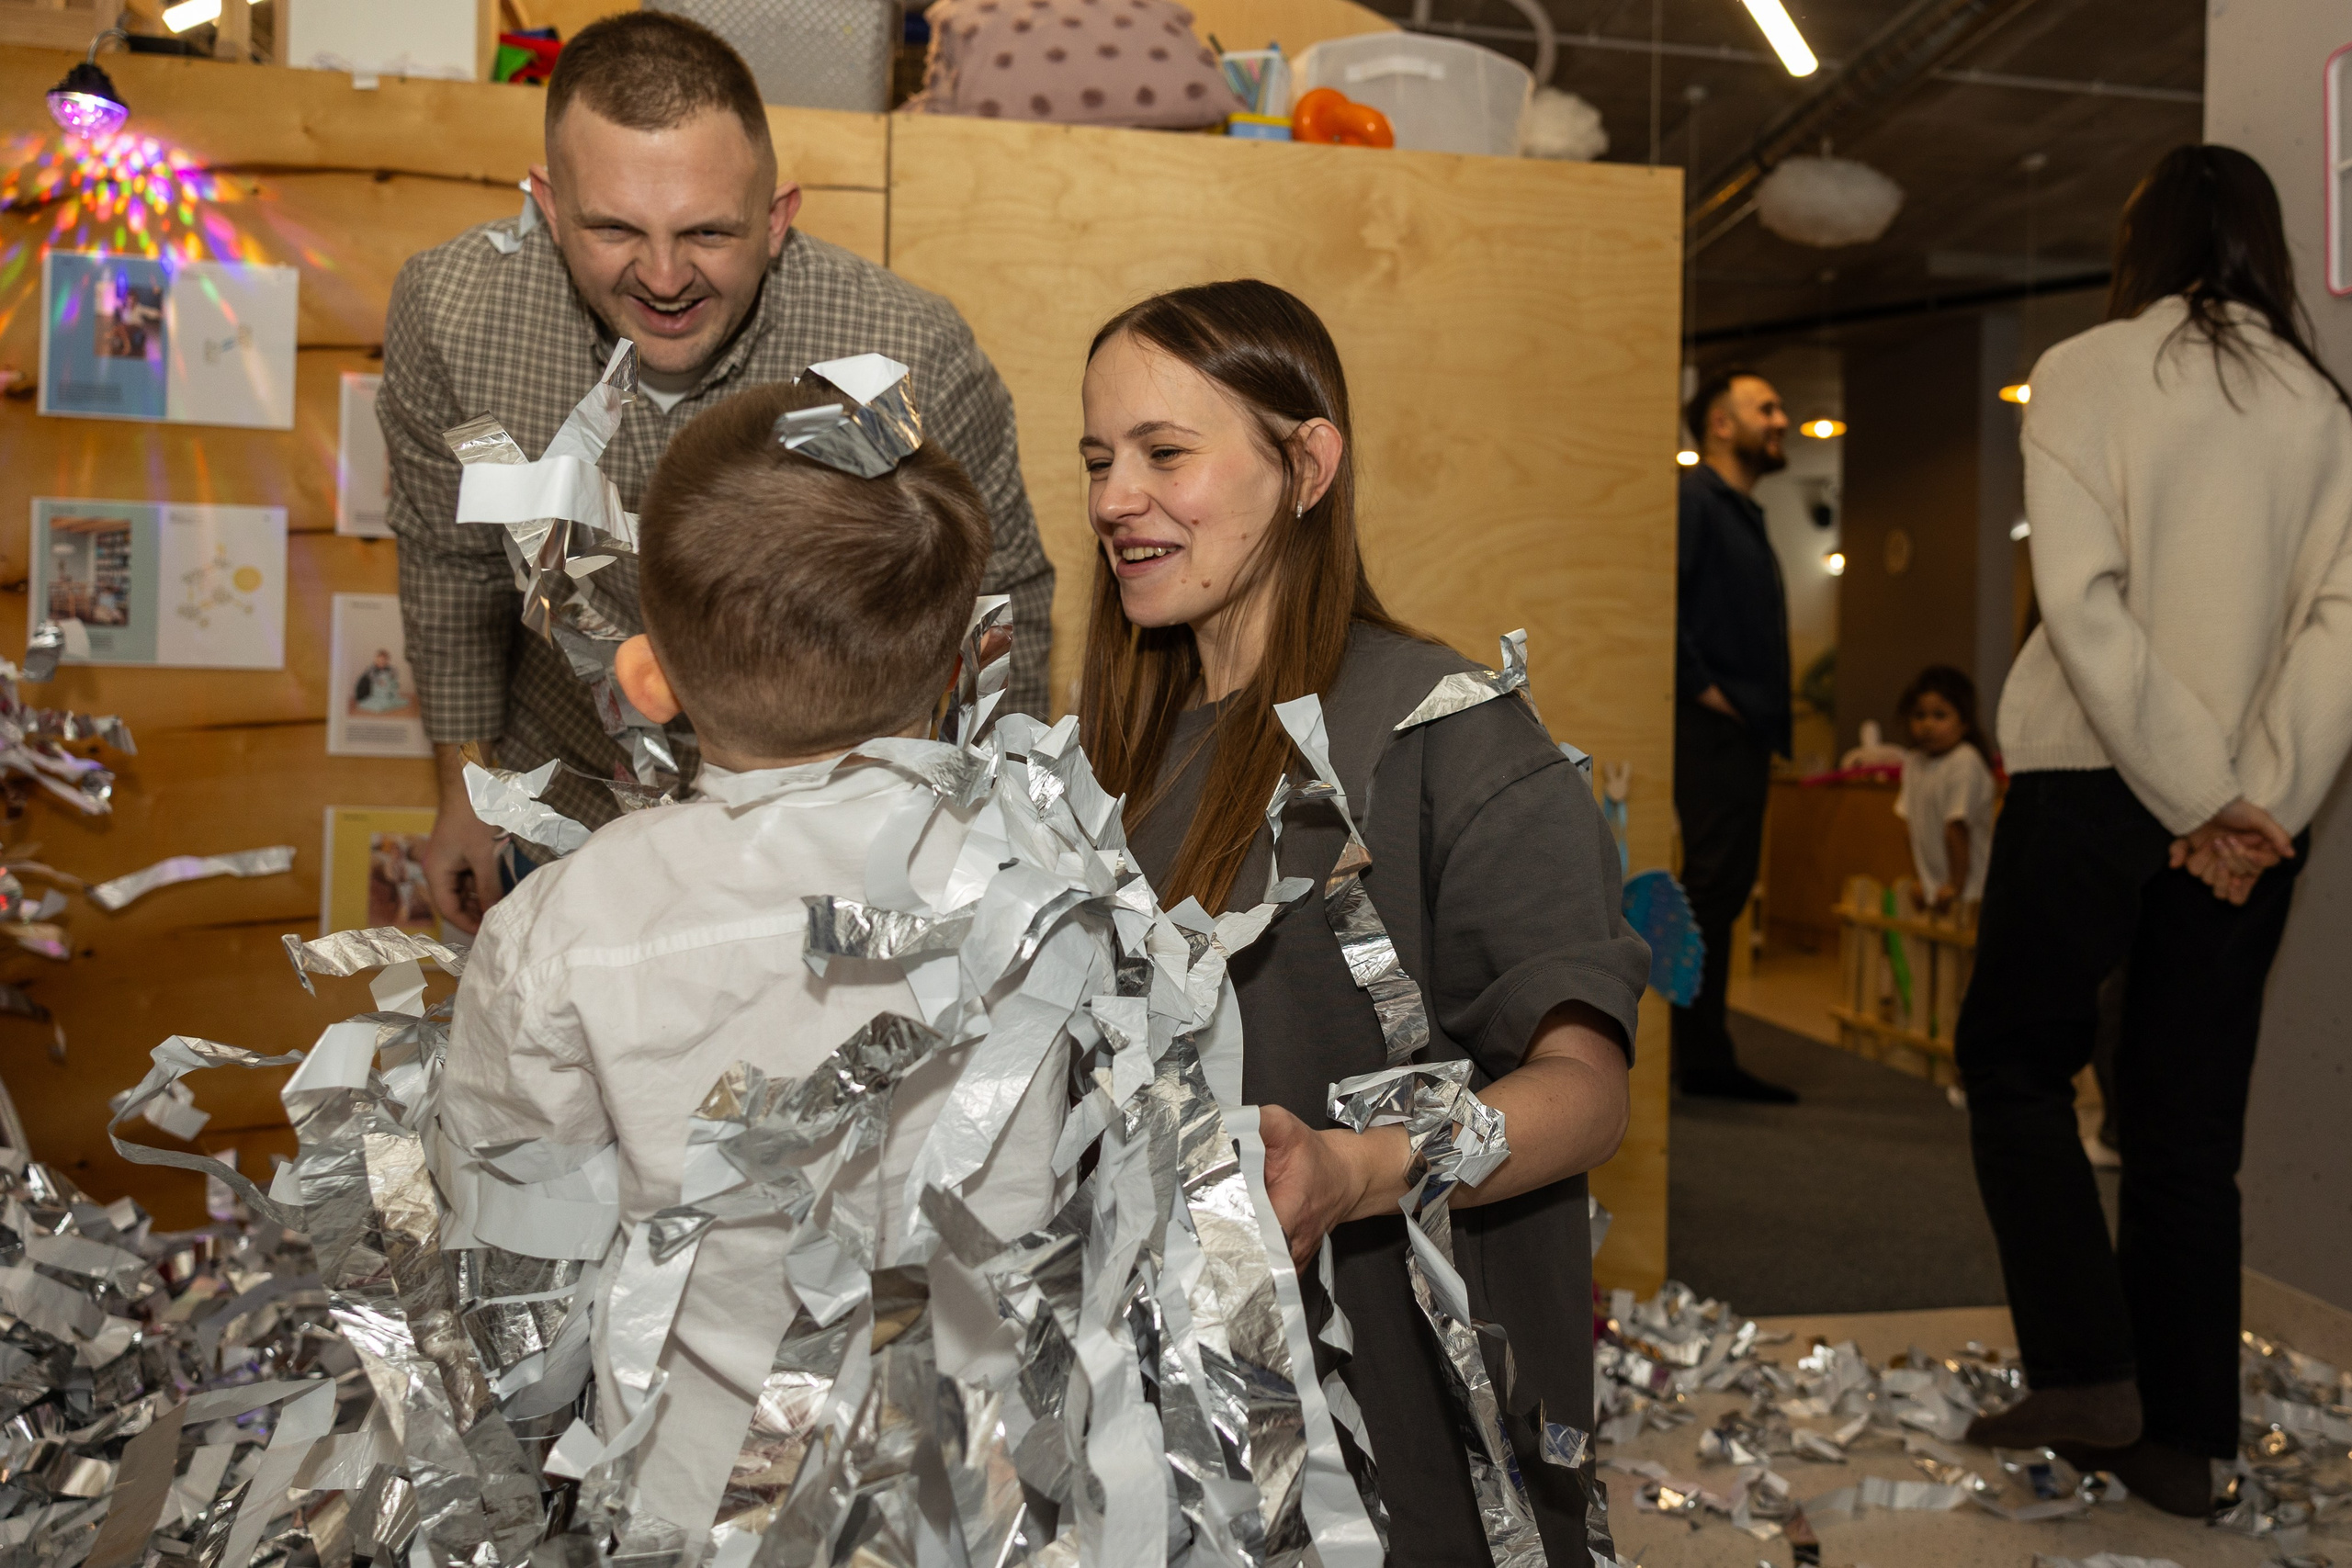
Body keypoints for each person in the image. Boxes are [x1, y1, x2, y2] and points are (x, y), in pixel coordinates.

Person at [1076, 279, 1650, 1562]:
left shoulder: (1450, 731)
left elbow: (1585, 1088)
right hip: (1175, 1414)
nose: (1118, 495)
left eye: (1166, 453)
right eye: (1101, 458)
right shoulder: (1109, 752)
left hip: (1394, 1427)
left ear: (1308, 462)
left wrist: (1356, 1168)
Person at [436, 380, 1063, 1548]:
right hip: (991, 1516)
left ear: (644, 681)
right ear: (954, 674)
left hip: (696, 1515)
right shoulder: (1049, 891)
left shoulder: (567, 927)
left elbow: (511, 1271)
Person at [381, 11, 1053, 936]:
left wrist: (991, 823)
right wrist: (465, 788)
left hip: (833, 839)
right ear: (545, 206)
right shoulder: (451, 317)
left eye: (707, 233)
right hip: (570, 806)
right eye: (614, 228)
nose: (662, 277)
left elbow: (1001, 600)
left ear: (777, 220)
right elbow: (446, 560)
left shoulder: (907, 357)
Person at [1956, 144, 2352, 1515]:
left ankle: (2086, 1369)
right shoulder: (2327, 407)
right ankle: (2185, 1437)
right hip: (2247, 810)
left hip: (2091, 774)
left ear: (2144, 239)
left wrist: (2197, 792)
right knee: (2189, 1125)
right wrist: (2258, 798)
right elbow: (2338, 631)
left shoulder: (2086, 369)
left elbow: (2084, 599)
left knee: (2011, 1061)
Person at [1674, 367, 1798, 1102]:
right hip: (1714, 727)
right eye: (1768, 406)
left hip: (1739, 729)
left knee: (1723, 886)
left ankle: (1704, 1052)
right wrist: (1710, 693)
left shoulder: (1742, 510)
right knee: (1713, 888)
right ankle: (1702, 1059)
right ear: (1722, 424)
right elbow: (1674, 608)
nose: (1781, 418)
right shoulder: (1697, 500)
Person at [1894, 664, 1996, 914]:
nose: (1927, 725)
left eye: (1940, 715)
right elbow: (1911, 830)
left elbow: (1956, 829)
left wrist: (1955, 885)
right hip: (1938, 890)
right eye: (1919, 715)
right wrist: (1923, 879)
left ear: (1964, 722)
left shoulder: (1965, 761)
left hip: (1971, 891)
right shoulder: (1915, 761)